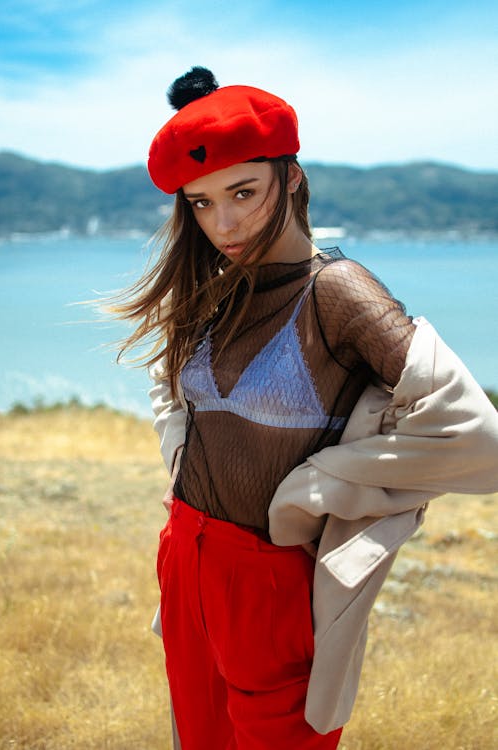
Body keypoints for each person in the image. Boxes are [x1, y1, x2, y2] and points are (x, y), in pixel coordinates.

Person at [112, 67, 498, 749]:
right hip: (185, 556)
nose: (222, 223)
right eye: (200, 204)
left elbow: (476, 440)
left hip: (269, 579)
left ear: (290, 176)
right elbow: (172, 390)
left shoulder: (338, 293)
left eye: (243, 192)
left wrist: (317, 486)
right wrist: (178, 457)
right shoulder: (220, 290)